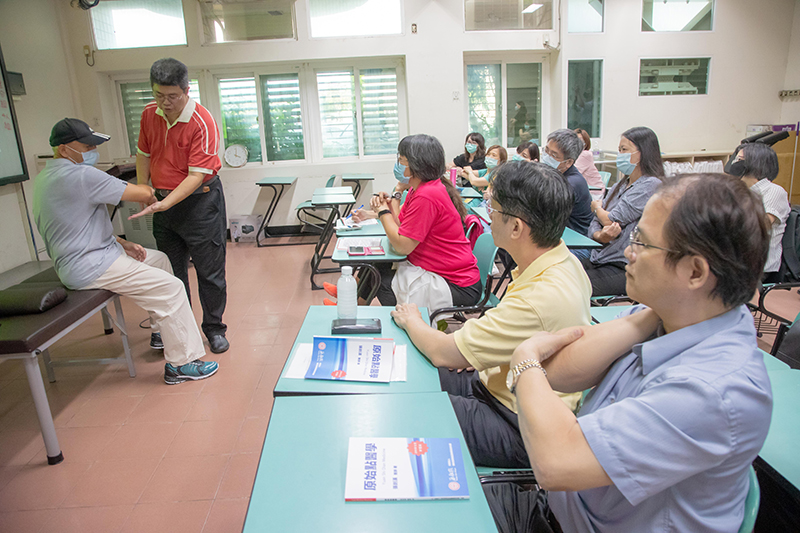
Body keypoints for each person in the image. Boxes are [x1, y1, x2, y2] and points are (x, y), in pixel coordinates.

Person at [495, 173, 772, 532]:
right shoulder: (666, 316)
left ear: (695, 271)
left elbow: (556, 463)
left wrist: (524, 360)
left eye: (642, 242)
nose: (628, 251)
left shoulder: (713, 391)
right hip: (556, 511)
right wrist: (645, 320)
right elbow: (558, 372)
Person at [391, 161, 592, 467]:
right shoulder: (561, 261)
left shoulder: (540, 297)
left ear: (516, 227)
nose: (487, 216)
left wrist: (412, 320)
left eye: (491, 207)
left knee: (410, 407)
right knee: (411, 376)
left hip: (518, 422)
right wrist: (472, 349)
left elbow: (442, 352)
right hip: (502, 385)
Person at [33, 118, 219, 385]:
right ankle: (182, 363)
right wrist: (153, 188)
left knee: (160, 260)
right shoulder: (81, 175)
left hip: (85, 256)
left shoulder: (45, 177)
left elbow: (76, 226)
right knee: (172, 288)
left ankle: (161, 332)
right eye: (85, 146)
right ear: (64, 149)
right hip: (91, 265)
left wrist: (121, 242)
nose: (91, 151)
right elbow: (143, 193)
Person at [131, 58, 229, 354]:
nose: (165, 102)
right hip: (162, 201)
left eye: (172, 96)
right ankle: (174, 327)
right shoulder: (150, 113)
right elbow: (143, 154)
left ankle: (214, 328)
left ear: (186, 90)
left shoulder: (202, 121)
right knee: (170, 272)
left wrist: (163, 204)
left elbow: (196, 176)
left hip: (200, 202)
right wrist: (145, 190)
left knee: (209, 272)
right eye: (159, 95)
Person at [360, 134, 482, 310]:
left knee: (380, 280)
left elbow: (402, 246)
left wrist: (383, 212)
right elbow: (400, 227)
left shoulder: (427, 195)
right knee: (375, 265)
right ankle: (349, 307)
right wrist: (390, 202)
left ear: (415, 165)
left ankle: (408, 327)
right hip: (444, 272)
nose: (398, 165)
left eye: (401, 160)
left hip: (458, 284)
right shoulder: (419, 190)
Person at [578, 127, 664, 297]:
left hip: (623, 265)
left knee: (571, 287)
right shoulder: (620, 184)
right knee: (556, 274)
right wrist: (599, 236)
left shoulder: (650, 185)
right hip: (600, 257)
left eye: (624, 150)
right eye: (619, 150)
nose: (620, 155)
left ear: (642, 153)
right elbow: (595, 222)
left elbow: (610, 219)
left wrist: (597, 208)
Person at [728, 142, 790, 283]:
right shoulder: (740, 191)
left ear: (755, 163)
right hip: (738, 262)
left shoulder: (774, 191)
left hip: (760, 268)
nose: (734, 164)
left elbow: (758, 226)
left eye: (739, 160)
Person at [541, 129, 593, 236]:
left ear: (569, 162)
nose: (547, 157)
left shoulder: (571, 183)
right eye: (546, 151)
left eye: (554, 155)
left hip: (577, 243)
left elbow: (542, 212)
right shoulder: (554, 174)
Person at [573, 128, 604, 195]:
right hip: (584, 190)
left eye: (581, 140)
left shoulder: (585, 154)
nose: (578, 143)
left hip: (593, 192)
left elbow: (572, 172)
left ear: (586, 143)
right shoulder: (575, 155)